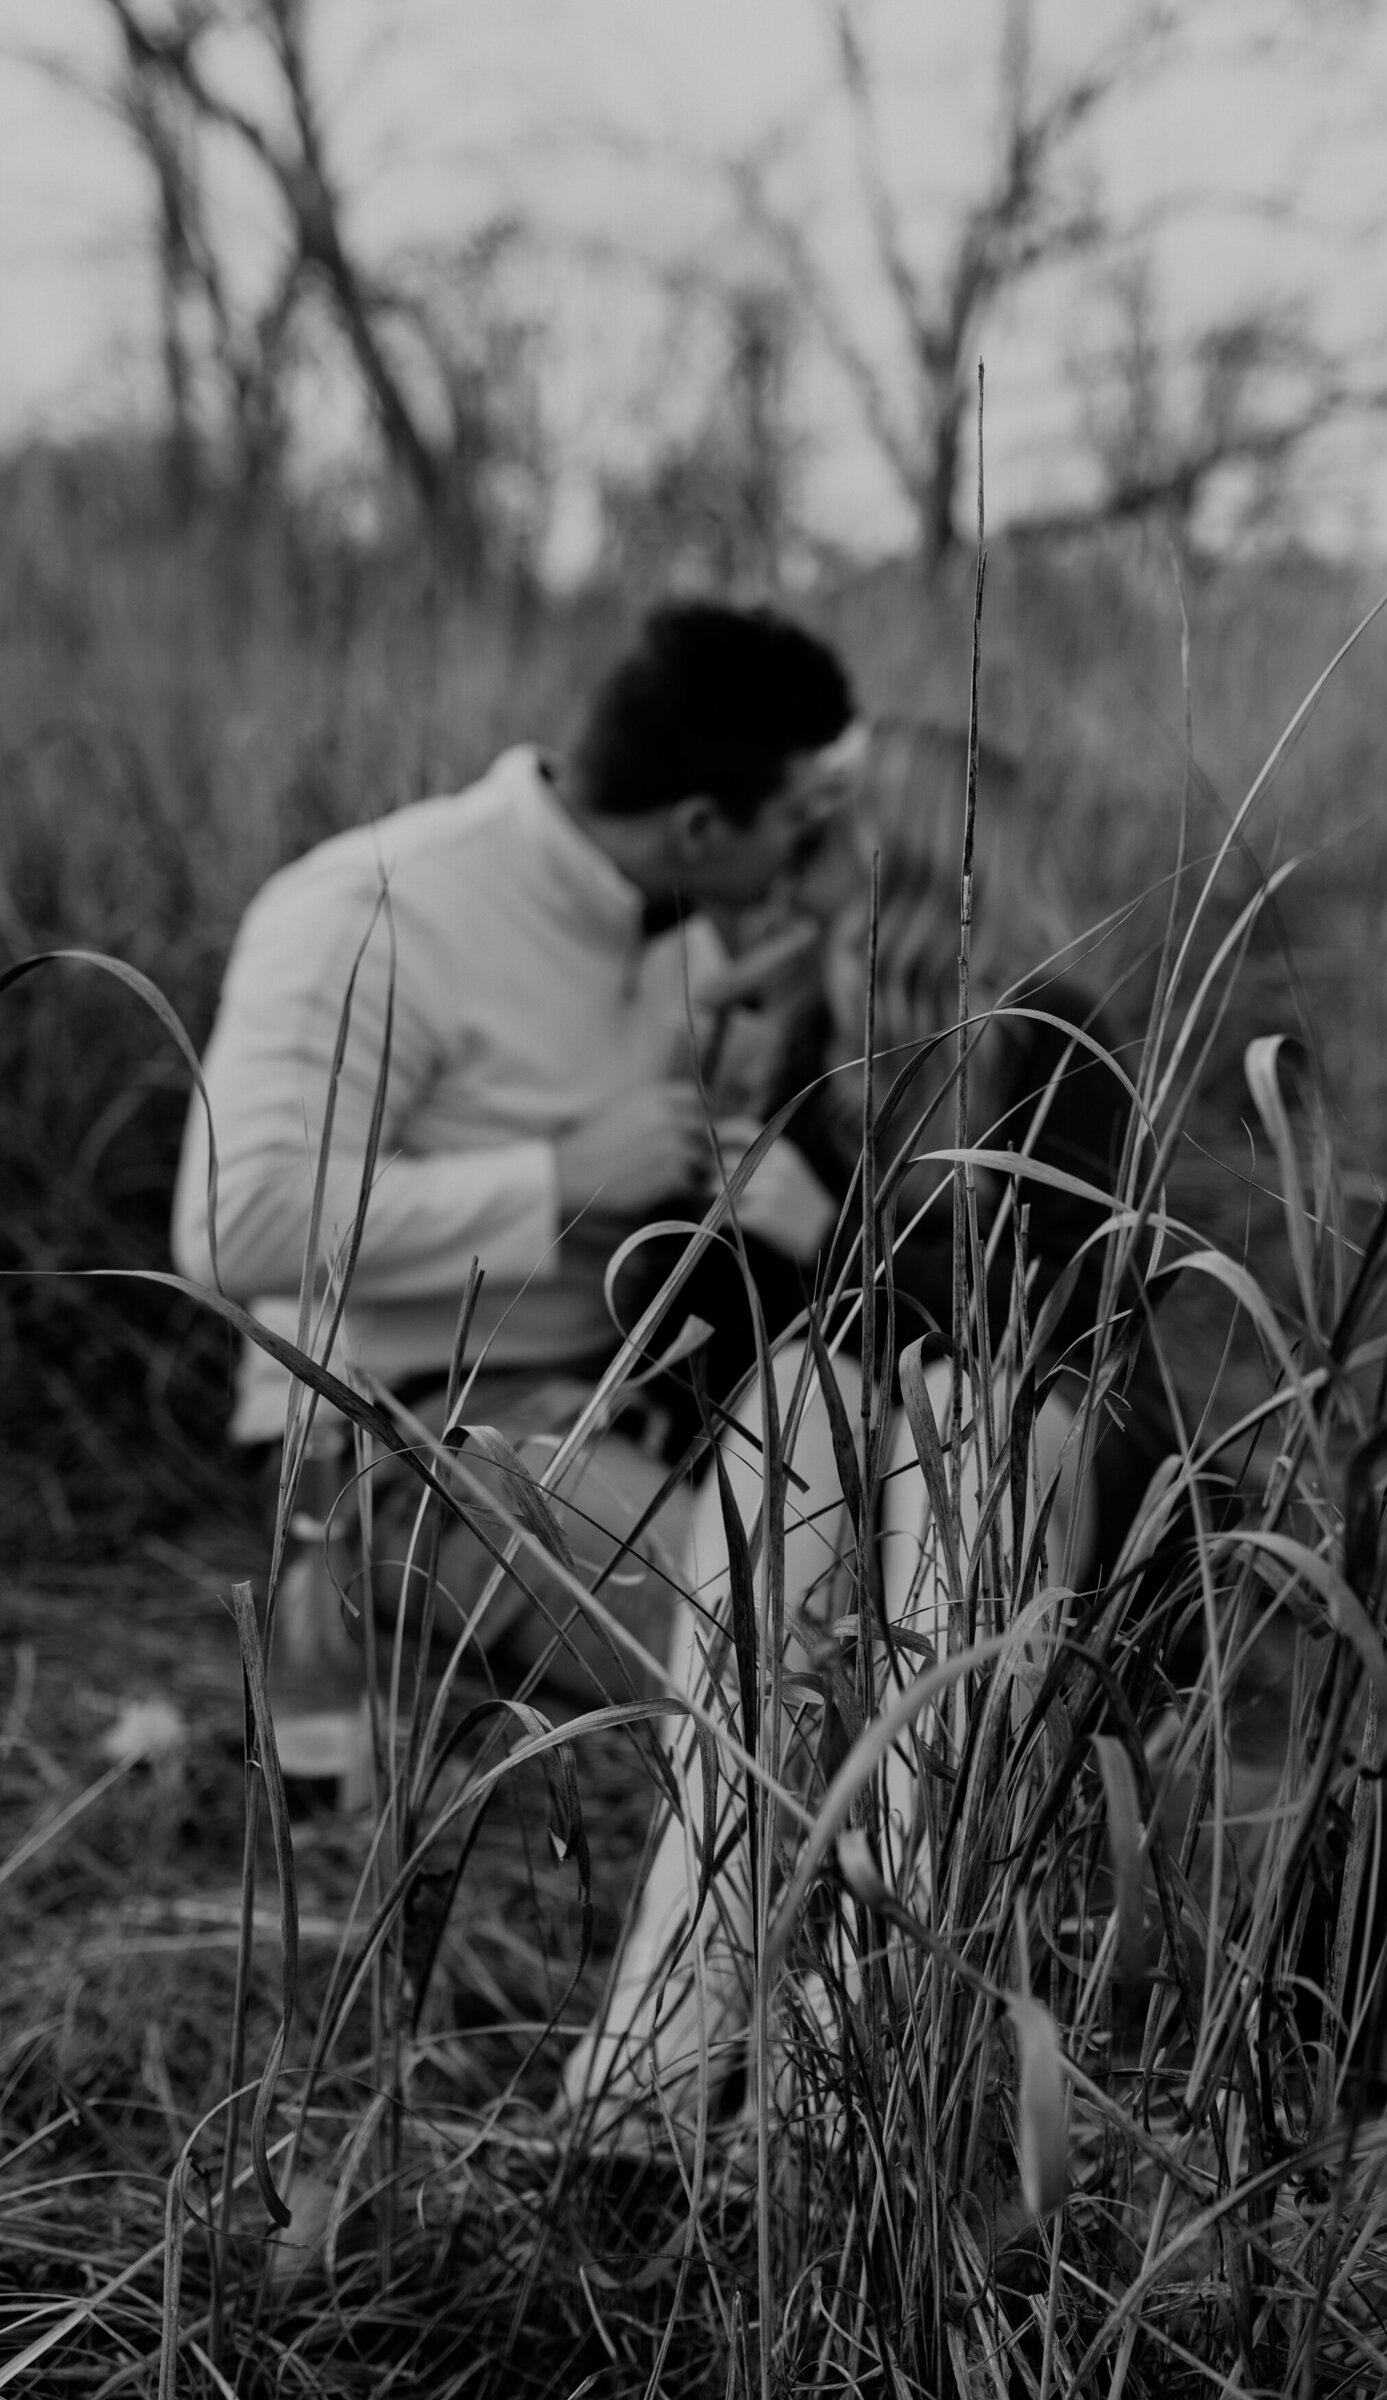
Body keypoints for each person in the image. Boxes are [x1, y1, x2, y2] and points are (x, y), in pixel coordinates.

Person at [558, 718, 1172, 2135]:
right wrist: (701, 1184)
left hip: (1032, 1462)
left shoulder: (1058, 1038)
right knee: (795, 1397)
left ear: (887, 852)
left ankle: (869, 2033)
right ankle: (682, 2004)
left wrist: (825, 1228)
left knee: (954, 1416)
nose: (788, 860)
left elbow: (1043, 1328)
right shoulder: (821, 1053)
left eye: (820, 832)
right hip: (859, 1477)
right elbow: (726, 1348)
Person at [170, 601, 859, 1704]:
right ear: (696, 826)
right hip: (406, 1432)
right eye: (794, 820)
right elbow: (230, 1223)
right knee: (782, 1665)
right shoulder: (376, 910)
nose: (807, 850)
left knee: (909, 1588)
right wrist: (558, 1177)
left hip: (643, 1391)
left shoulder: (681, 924)